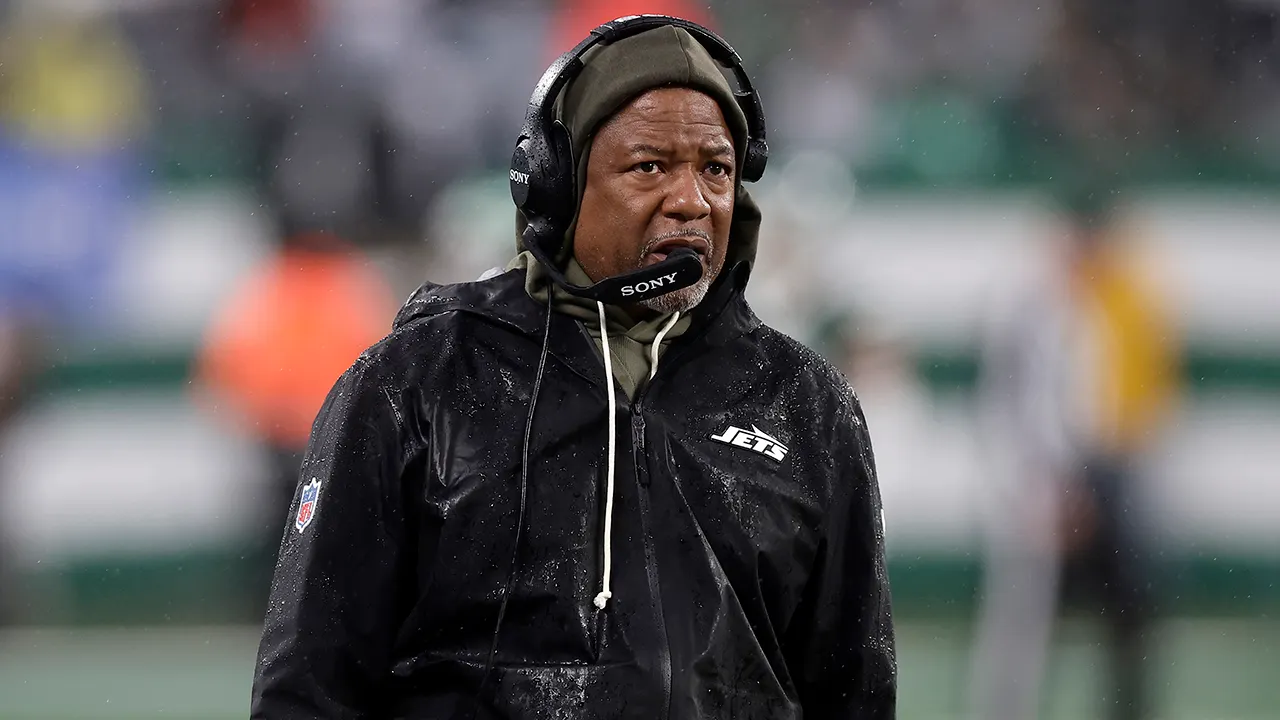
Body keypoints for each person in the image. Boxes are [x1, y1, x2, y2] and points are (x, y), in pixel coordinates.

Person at [250, 15, 896, 719]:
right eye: (649, 166)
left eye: (715, 168)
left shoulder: (806, 405)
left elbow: (854, 697)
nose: (691, 200)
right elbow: (307, 692)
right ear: (558, 186)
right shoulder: (416, 383)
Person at [968, 187, 1177, 720]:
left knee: (1111, 602)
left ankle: (1119, 703)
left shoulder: (1092, 306)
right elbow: (1030, 406)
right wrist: (1053, 480)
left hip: (1090, 466)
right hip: (1048, 469)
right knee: (1027, 608)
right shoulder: (1038, 311)